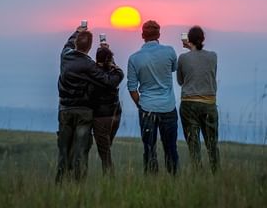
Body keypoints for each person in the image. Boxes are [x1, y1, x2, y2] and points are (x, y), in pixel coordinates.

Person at [55, 25, 123, 184]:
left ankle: (60, 181)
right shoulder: (90, 65)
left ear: (76, 43)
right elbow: (109, 82)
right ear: (90, 47)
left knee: (64, 148)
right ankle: (78, 183)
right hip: (84, 112)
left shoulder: (65, 55)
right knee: (81, 149)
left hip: (64, 109)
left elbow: (68, 43)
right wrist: (113, 63)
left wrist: (77, 31)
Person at [127, 20, 179, 175]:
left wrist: (140, 104)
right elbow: (174, 68)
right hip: (168, 107)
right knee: (171, 148)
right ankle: (174, 179)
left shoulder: (134, 58)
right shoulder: (170, 51)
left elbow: (132, 88)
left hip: (147, 107)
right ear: (159, 35)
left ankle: (151, 180)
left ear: (142, 35)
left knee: (149, 149)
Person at [177, 25, 220, 173]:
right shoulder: (213, 56)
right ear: (203, 39)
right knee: (212, 143)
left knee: (193, 143)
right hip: (209, 103)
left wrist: (190, 51)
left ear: (188, 40)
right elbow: (207, 73)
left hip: (189, 103)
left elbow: (180, 81)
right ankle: (216, 172)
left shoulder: (183, 58)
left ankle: (198, 173)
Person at [91, 46, 124, 175]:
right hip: (115, 115)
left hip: (100, 116)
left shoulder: (92, 74)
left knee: (104, 152)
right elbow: (113, 67)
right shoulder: (117, 74)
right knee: (106, 147)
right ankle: (108, 176)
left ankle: (109, 178)